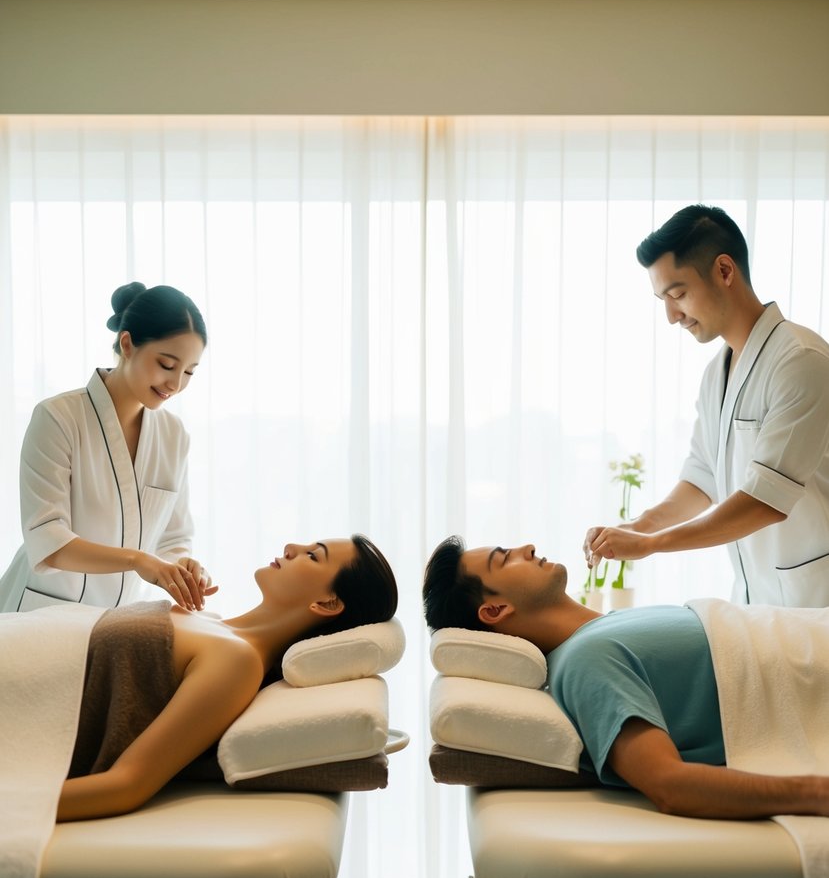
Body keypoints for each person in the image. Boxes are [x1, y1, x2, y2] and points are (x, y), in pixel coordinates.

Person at [422, 535, 829, 820]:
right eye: (504, 557)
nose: (527, 547)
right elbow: (669, 784)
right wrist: (815, 794)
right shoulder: (586, 662)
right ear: (494, 611)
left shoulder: (603, 631)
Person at [583, 205, 829, 607]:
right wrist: (637, 527)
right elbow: (702, 481)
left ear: (725, 271)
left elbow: (764, 501)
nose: (671, 315)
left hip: (815, 605)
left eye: (677, 294)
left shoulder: (801, 360)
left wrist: (652, 544)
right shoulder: (717, 373)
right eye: (663, 299)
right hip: (756, 604)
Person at [58, 535, 397, 821]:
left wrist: (17, 807)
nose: (292, 546)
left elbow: (127, 784)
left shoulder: (238, 662)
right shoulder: (211, 622)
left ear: (326, 603)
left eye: (312, 555)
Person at [0, 281, 215, 614]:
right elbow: (48, 541)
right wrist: (139, 560)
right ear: (127, 344)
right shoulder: (57, 418)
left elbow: (173, 538)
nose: (176, 384)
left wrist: (182, 568)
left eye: (189, 371)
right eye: (167, 365)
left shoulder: (174, 435)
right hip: (36, 616)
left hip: (112, 626)